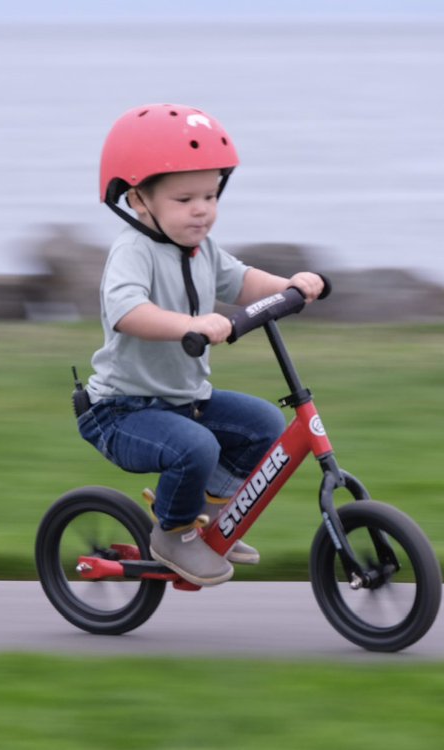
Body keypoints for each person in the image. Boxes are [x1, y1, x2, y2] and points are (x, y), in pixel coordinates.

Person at [77, 103, 326, 586]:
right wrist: (192, 324)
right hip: (121, 411)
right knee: (197, 446)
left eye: (211, 195)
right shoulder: (133, 251)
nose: (201, 210)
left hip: (183, 400)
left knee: (264, 425)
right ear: (137, 201)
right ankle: (172, 534)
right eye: (184, 198)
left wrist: (291, 285)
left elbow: (242, 281)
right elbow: (127, 312)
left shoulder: (200, 248)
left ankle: (203, 520)